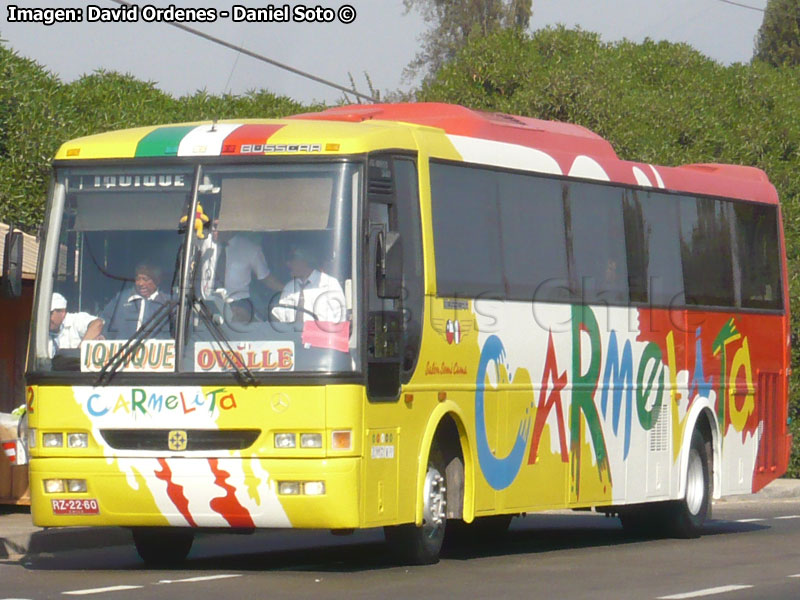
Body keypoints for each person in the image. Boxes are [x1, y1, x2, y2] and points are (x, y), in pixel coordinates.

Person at [199, 225, 283, 320]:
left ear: (229, 227)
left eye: (216, 226)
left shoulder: (250, 248)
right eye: (212, 226)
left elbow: (266, 278)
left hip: (238, 303)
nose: (213, 230)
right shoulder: (204, 242)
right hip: (206, 301)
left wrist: (288, 291)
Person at [272, 245, 347, 324]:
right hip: (291, 335)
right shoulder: (289, 288)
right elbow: (279, 320)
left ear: (303, 261)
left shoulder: (330, 284)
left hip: (321, 335)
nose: (288, 263)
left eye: (291, 259)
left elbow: (340, 320)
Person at [100, 263, 171, 339]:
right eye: (137, 279)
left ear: (157, 281)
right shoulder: (121, 299)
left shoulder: (168, 302)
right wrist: (103, 336)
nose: (140, 283)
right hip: (123, 350)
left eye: (145, 279)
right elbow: (105, 321)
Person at [48, 292, 103, 357]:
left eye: (50, 313)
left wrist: (79, 350)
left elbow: (97, 324)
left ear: (62, 312)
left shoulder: (76, 320)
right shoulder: (41, 330)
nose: (47, 317)